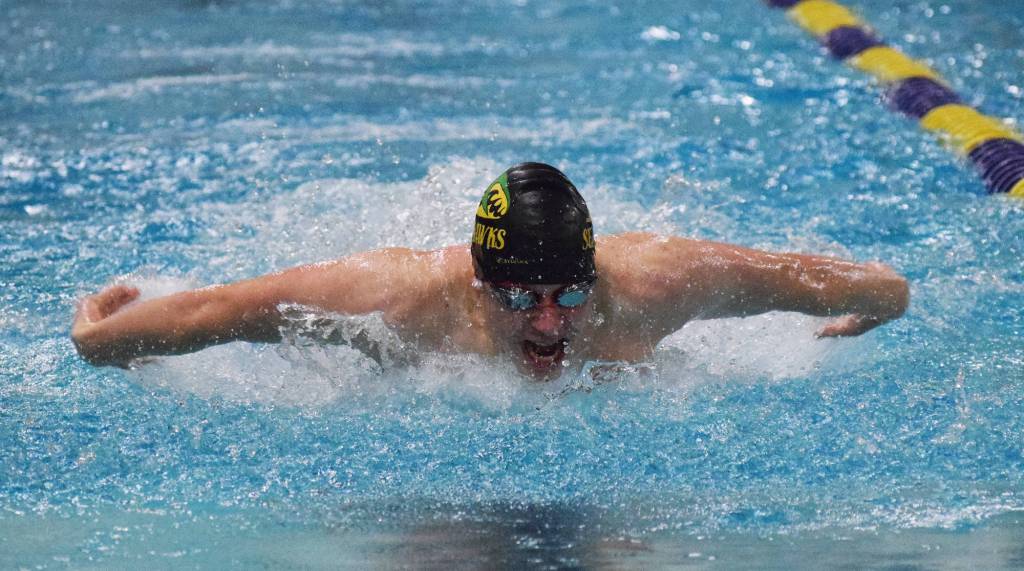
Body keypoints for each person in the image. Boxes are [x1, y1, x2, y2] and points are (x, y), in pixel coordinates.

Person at [72, 162, 909, 380]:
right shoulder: (399, 299)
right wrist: (99, 341)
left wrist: (864, 311)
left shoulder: (659, 281)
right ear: (479, 280)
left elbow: (869, 283)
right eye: (520, 296)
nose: (549, 323)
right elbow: (219, 310)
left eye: (570, 294)